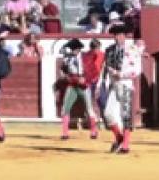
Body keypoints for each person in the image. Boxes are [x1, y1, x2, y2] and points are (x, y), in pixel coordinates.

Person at [102, 25, 141, 154]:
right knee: (107, 114)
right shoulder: (109, 50)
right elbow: (106, 68)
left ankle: (126, 145)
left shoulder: (133, 49)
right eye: (116, 35)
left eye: (120, 35)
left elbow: (137, 70)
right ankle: (119, 137)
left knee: (125, 115)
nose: (118, 37)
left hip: (125, 84)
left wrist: (122, 74)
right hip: (114, 85)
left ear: (125, 36)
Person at [60, 38, 98, 140]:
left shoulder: (86, 58)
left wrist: (86, 79)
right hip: (72, 84)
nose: (73, 51)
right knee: (65, 108)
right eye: (71, 49)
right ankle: (65, 133)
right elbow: (63, 71)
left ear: (78, 49)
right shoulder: (67, 59)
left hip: (83, 86)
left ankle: (94, 131)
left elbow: (94, 71)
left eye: (74, 49)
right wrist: (66, 76)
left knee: (89, 109)